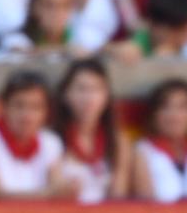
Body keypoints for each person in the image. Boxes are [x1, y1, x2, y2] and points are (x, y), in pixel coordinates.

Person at [0, 68, 73, 200]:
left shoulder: (51, 142)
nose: (27, 115)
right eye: (19, 106)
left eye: (35, 107)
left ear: (46, 112)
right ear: (4, 107)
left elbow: (57, 188)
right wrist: (49, 193)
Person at [52, 57, 132, 202]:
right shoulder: (52, 139)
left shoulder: (118, 141)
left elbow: (118, 196)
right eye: (81, 89)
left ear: (107, 96)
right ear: (65, 94)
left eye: (96, 89)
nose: (89, 97)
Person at [131, 77, 187, 202]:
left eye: (183, 107)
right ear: (153, 115)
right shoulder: (142, 152)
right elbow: (145, 205)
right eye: (165, 107)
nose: (174, 115)